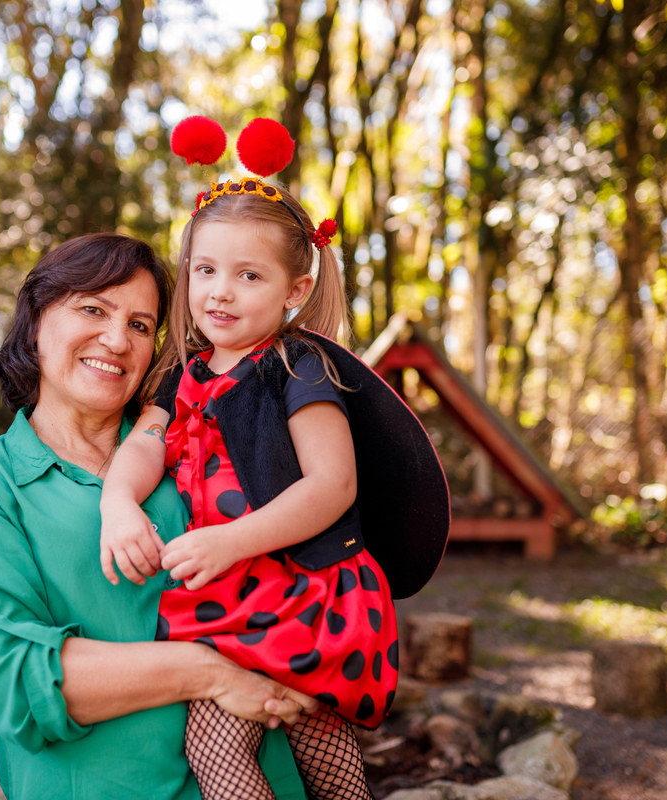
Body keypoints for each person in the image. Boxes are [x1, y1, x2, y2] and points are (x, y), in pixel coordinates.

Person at [99, 119, 449, 800]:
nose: (219, 292)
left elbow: (332, 485)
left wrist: (231, 539)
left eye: (247, 275)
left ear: (295, 289)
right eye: (205, 270)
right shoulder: (185, 371)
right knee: (216, 752)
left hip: (309, 592)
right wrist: (118, 502)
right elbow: (145, 443)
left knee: (329, 768)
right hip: (231, 601)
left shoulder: (298, 365)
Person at [0, 232, 317, 800]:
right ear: (36, 320)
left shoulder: (200, 445)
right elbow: (15, 680)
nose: (116, 339)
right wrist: (205, 672)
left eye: (140, 325)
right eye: (92, 309)